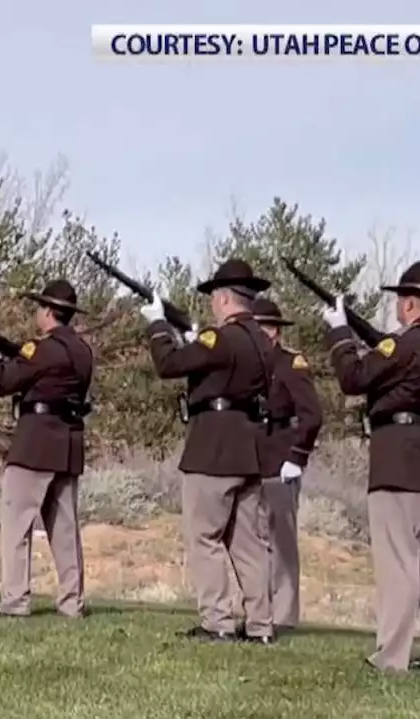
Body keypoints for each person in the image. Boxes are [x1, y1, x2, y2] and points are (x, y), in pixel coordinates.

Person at [320, 260, 420, 676]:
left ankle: (392, 658)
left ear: (407, 304)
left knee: (399, 563)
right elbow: (399, 361)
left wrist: (337, 330)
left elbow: (353, 376)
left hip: (401, 461)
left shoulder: (408, 344)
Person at [139, 258, 276, 644]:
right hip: (248, 448)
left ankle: (218, 621)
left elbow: (169, 364)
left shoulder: (221, 339)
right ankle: (261, 625)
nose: (212, 304)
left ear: (224, 298)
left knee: (205, 538)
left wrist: (157, 325)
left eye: (215, 297)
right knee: (248, 543)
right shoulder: (262, 342)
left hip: (213, 448)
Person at [0, 280, 93, 618]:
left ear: (49, 312)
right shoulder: (82, 351)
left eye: (40, 308)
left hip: (36, 444)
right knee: (65, 532)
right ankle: (71, 602)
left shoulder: (43, 349)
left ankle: (15, 601)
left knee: (16, 526)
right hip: (68, 444)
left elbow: (0, 382)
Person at [251, 297, 323, 635]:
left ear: (275, 331)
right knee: (253, 540)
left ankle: (284, 614)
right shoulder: (248, 364)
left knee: (281, 540)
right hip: (251, 460)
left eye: (262, 328)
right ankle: (258, 609)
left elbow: (312, 414)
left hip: (281, 458)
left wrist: (297, 456)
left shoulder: (291, 363)